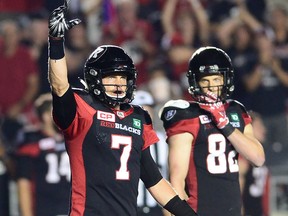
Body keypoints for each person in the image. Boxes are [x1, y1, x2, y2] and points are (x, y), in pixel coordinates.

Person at [47, 1, 198, 216]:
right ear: (95, 79)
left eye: (123, 77)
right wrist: (56, 41)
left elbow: (154, 180)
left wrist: (187, 213)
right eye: (111, 77)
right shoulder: (83, 109)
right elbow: (60, 85)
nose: (118, 83)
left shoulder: (137, 117)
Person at [159, 46, 265, 216]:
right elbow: (175, 181)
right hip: (199, 210)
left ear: (225, 80)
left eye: (216, 79)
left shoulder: (236, 111)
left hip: (232, 209)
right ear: (195, 82)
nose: (210, 87)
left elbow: (258, 158)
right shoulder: (186, 116)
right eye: (205, 80)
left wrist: (223, 122)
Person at [14, 93, 71, 216]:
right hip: (45, 209)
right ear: (46, 116)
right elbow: (23, 183)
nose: (63, 114)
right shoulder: (31, 142)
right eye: (58, 110)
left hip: (73, 209)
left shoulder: (73, 137)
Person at [238, 111, 270, 216]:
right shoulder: (242, 156)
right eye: (259, 126)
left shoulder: (261, 153)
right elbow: (238, 189)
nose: (263, 129)